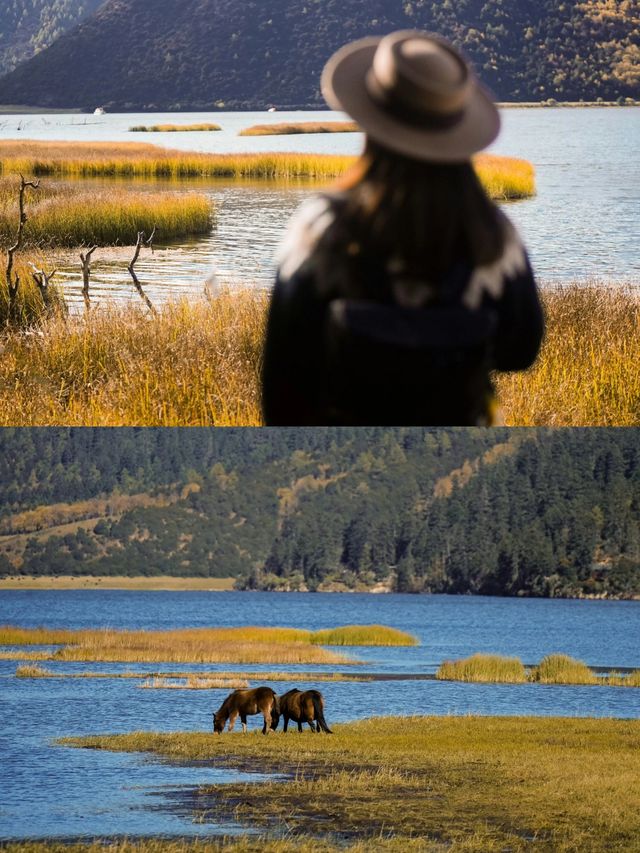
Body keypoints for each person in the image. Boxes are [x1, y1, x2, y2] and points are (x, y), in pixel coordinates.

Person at [262, 30, 544, 426]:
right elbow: (521, 351)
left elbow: (283, 381)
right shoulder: (493, 236)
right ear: (455, 128)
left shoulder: (321, 228)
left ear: (372, 120)